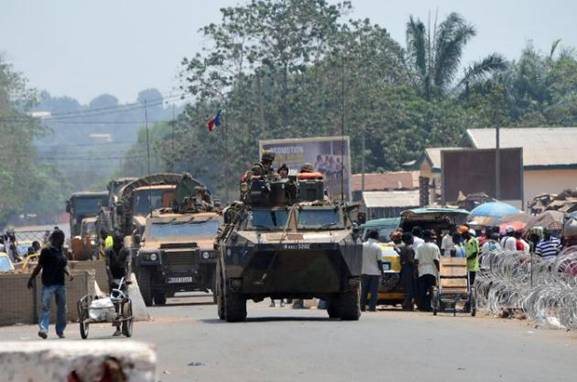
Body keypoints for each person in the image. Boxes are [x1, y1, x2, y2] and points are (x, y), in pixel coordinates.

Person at [27, 229, 73, 339]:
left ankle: (60, 330)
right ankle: (43, 329)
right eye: (61, 239)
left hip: (60, 284)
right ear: (56, 239)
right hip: (48, 284)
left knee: (62, 308)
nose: (62, 241)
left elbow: (64, 264)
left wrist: (69, 274)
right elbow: (39, 266)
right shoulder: (46, 251)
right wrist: (31, 278)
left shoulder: (61, 250)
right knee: (45, 307)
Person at [104, 232, 131, 336]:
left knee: (124, 300)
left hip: (122, 278)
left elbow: (128, 264)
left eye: (120, 242)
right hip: (113, 277)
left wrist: (127, 278)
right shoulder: (109, 251)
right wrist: (110, 279)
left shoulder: (125, 250)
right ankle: (118, 328)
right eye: (117, 242)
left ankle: (125, 325)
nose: (119, 244)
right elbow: (107, 266)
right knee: (115, 303)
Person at [414, 230, 440, 311]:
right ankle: (431, 305)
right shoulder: (434, 247)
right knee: (432, 289)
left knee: (422, 290)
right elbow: (436, 260)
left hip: (422, 270)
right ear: (430, 237)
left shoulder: (419, 247)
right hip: (432, 271)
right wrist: (439, 269)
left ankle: (421, 306)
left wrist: (416, 270)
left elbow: (416, 260)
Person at [361, 230, 384, 312]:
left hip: (363, 271)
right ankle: (372, 307)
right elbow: (379, 261)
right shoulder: (378, 247)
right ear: (376, 236)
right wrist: (382, 272)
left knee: (364, 291)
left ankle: (362, 307)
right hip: (374, 272)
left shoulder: (362, 245)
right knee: (374, 291)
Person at [399, 232, 416, 311]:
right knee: (410, 289)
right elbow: (410, 261)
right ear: (409, 239)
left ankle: (407, 304)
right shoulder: (410, 248)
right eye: (412, 238)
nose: (413, 239)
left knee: (406, 288)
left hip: (403, 269)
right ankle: (406, 304)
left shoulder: (402, 248)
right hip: (409, 269)